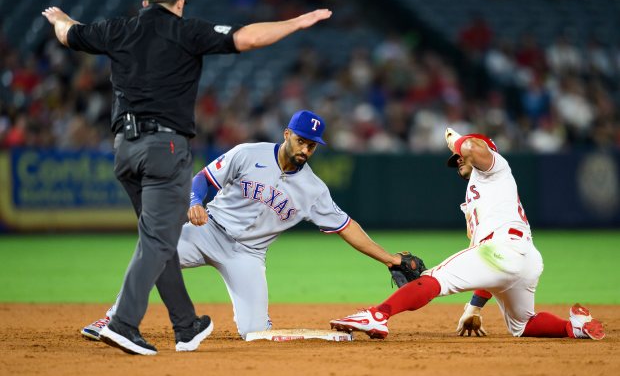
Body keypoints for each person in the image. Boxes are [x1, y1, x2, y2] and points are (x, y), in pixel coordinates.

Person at [42, 0, 332, 355]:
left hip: (124, 148)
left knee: (157, 240)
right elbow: (247, 38)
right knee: (159, 241)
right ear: (180, 4)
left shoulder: (118, 29)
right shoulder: (186, 31)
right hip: (165, 146)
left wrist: (59, 17)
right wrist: (295, 23)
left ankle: (185, 325)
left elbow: (68, 35)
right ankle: (122, 323)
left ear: (146, 4)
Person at [81, 110, 404, 341]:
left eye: (313, 145)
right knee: (155, 254)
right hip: (207, 232)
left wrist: (390, 258)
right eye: (302, 141)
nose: (306, 149)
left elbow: (347, 227)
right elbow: (203, 179)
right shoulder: (249, 154)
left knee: (255, 333)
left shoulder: (314, 190)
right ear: (287, 135)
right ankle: (112, 319)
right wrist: (194, 202)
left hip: (247, 256)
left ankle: (256, 320)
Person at [330, 128, 605, 341]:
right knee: (523, 325)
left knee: (433, 279)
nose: (458, 159)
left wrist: (457, 139)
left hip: (503, 248)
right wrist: (474, 308)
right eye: (456, 158)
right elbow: (488, 269)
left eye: (461, 157)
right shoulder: (476, 196)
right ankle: (575, 328)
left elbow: (473, 148)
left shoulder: (497, 169)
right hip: (523, 258)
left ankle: (378, 315)